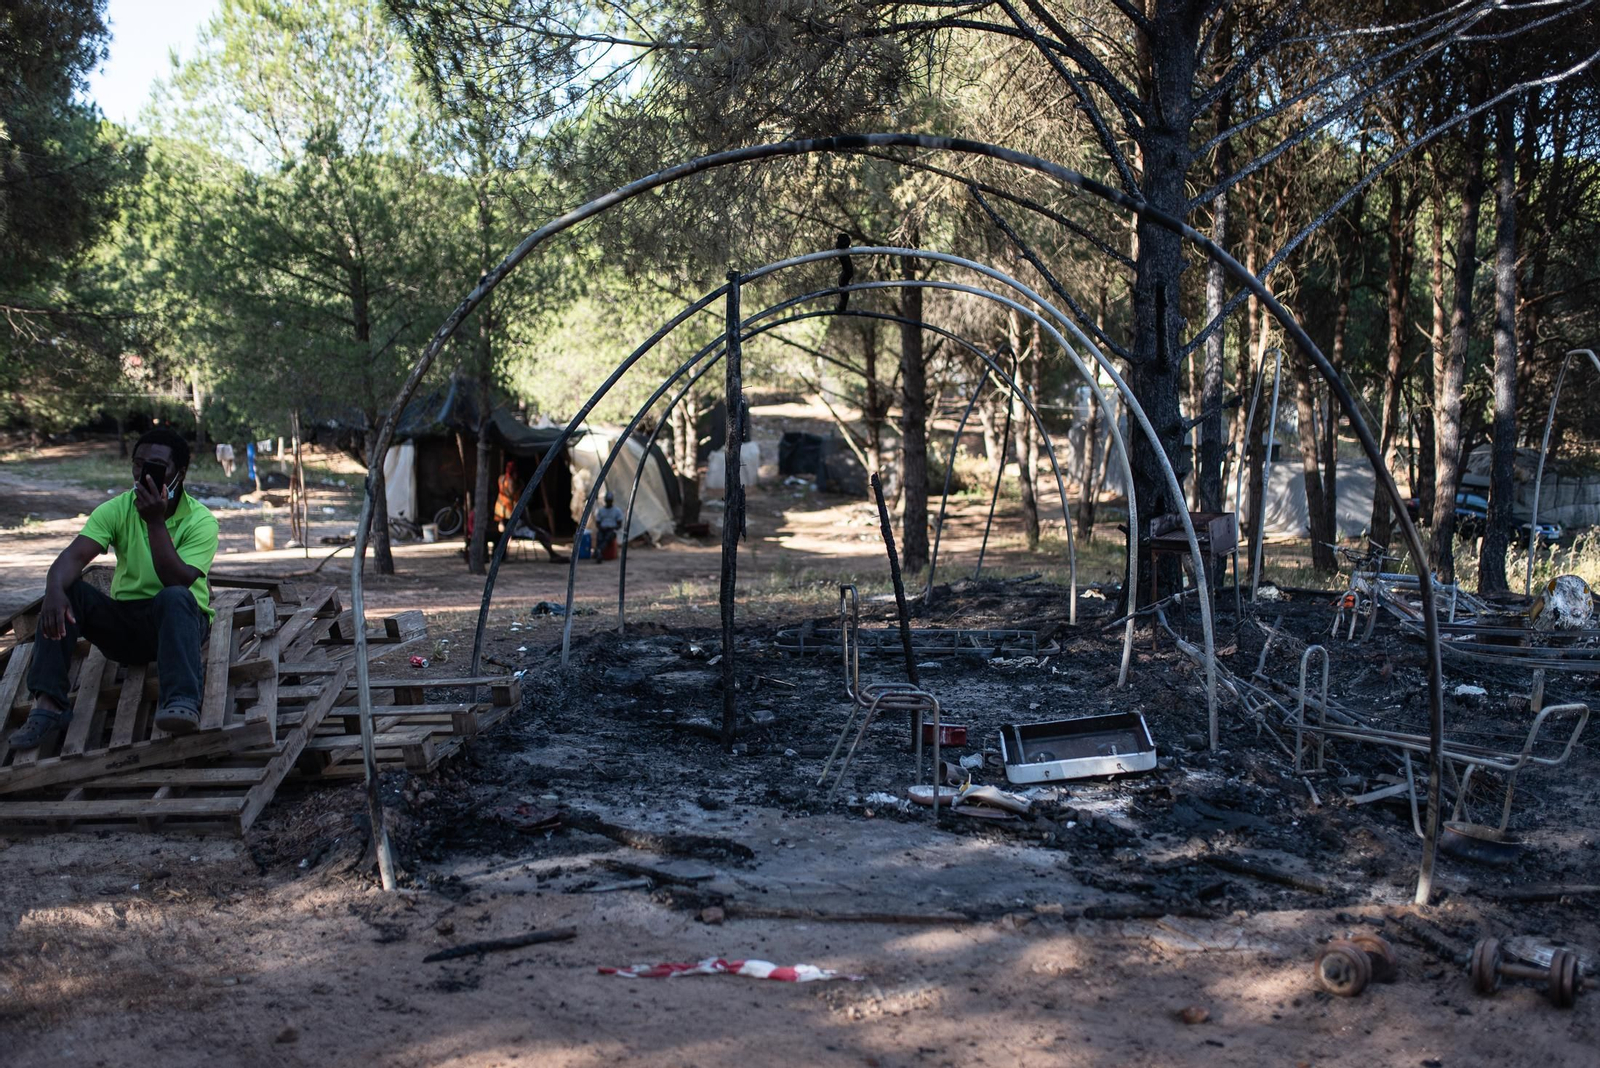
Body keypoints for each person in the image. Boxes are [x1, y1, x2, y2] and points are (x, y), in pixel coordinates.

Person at [11, 428, 220, 749]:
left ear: (180, 473)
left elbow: (176, 580)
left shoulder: (201, 521)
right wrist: (54, 590)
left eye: (157, 466)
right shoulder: (118, 508)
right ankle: (49, 705)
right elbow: (72, 557)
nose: (143, 473)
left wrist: (155, 521)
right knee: (70, 590)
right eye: (138, 464)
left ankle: (181, 701)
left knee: (174, 597)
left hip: (181, 626)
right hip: (126, 627)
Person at [593, 490, 624, 564]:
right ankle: (599, 552)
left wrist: (613, 527)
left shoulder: (617, 511)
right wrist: (601, 527)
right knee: (600, 536)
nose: (608, 502)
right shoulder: (601, 511)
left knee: (608, 537)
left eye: (610, 500)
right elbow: (597, 523)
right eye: (607, 500)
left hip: (612, 530)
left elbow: (619, 524)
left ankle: (598, 551)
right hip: (602, 529)